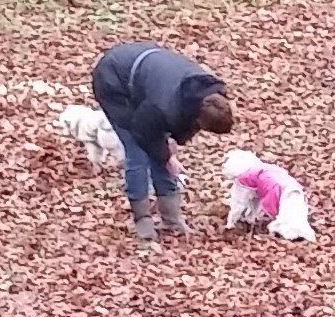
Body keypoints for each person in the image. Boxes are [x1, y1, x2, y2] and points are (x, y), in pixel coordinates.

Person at [91, 41, 235, 243]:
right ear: (198, 119)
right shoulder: (163, 106)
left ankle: (171, 219)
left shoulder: (207, 90)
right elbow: (144, 132)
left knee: (160, 148)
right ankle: (144, 225)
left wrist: (171, 148)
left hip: (145, 75)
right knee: (138, 152)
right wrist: (168, 158)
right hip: (113, 82)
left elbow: (178, 126)